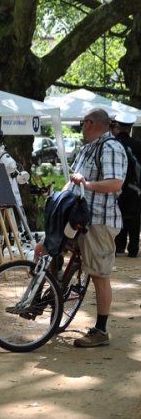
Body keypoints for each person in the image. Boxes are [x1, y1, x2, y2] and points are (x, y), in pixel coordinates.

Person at [68, 108, 127, 347]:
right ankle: (55, 296)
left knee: (99, 275)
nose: (81, 127)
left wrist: (87, 184)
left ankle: (101, 331)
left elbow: (115, 183)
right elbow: (72, 179)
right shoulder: (87, 148)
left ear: (90, 123)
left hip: (99, 221)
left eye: (83, 123)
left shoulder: (111, 147)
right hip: (77, 217)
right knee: (44, 249)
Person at [111, 112, 141, 257]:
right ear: (131, 127)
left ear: (117, 126)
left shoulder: (110, 145)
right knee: (134, 217)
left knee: (116, 215)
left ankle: (118, 245)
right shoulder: (138, 146)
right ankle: (133, 248)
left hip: (111, 186)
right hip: (133, 188)